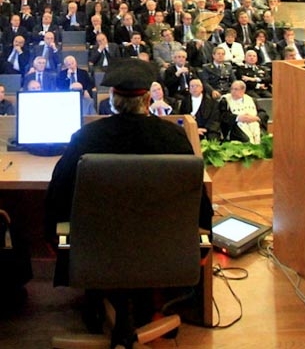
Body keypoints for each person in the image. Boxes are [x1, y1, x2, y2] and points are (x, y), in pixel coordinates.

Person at [45, 58, 213, 347]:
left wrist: (54, 238)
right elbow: (199, 205)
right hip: (163, 252)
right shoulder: (174, 138)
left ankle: (103, 303)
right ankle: (150, 307)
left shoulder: (86, 138)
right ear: (148, 99)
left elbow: (55, 198)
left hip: (95, 253)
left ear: (111, 100)